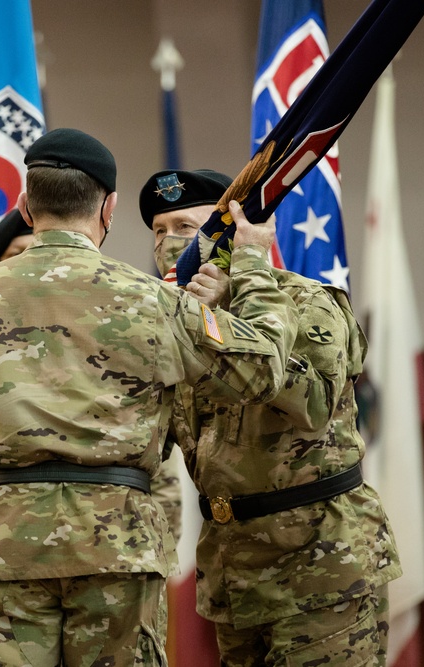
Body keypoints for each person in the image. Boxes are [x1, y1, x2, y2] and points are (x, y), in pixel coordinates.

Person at [0, 127, 299, 666]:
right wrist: (256, 264)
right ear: (110, 209)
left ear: (26, 207)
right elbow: (260, 370)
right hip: (116, 544)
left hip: (4, 546)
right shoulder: (149, 298)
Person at [140, 168, 402, 667]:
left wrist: (234, 315)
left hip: (320, 563)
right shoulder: (174, 327)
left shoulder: (307, 301)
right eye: (158, 231)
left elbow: (315, 404)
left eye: (184, 227)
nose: (170, 243)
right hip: (233, 571)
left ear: (226, 234)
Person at [0, 208, 185, 645]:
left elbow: (157, 473)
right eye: (21, 254)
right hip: (5, 555)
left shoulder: (110, 342)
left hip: (113, 550)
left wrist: (153, 554)